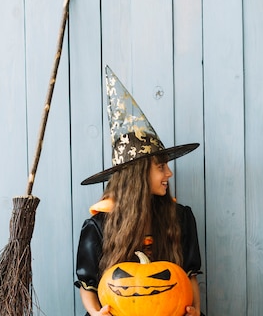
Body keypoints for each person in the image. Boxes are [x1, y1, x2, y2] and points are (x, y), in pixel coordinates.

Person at [74, 66, 202, 316]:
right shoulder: (99, 225)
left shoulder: (181, 218)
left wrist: (195, 310)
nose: (169, 174)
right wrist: (96, 313)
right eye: (161, 167)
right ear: (139, 175)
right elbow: (87, 284)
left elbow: (189, 276)